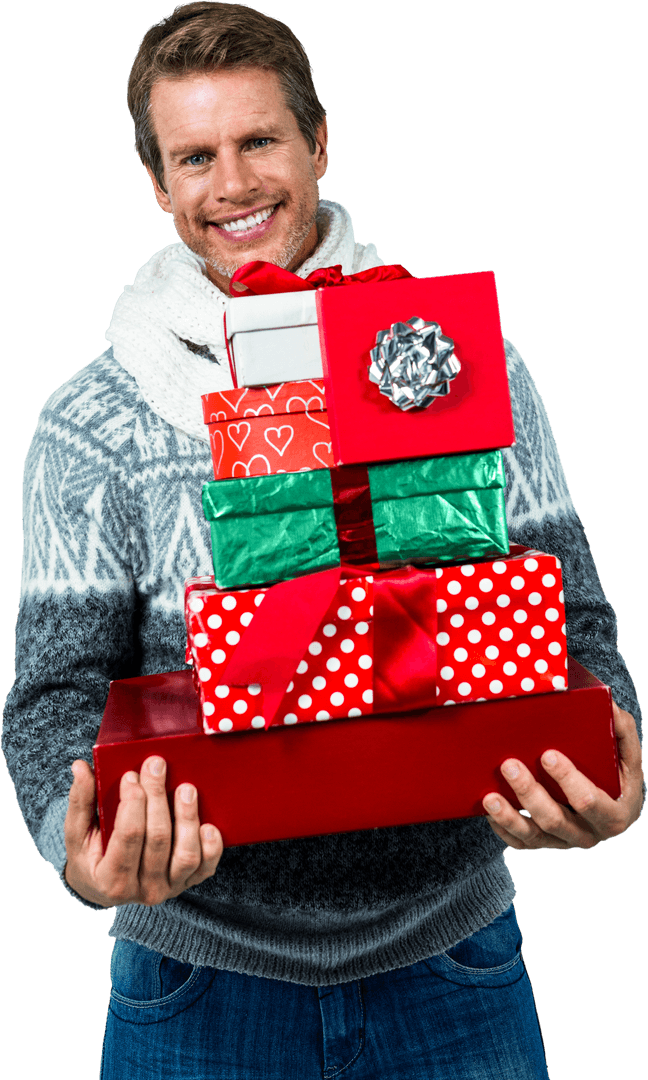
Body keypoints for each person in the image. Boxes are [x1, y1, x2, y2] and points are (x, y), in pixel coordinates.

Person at [2, 3, 643, 1078]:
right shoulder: (92, 422)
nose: (233, 185)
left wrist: (610, 747)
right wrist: (78, 856)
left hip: (456, 961)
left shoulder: (466, 361)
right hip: (196, 983)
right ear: (158, 184)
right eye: (194, 157)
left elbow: (574, 617)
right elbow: (50, 698)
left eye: (259, 141)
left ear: (319, 142)